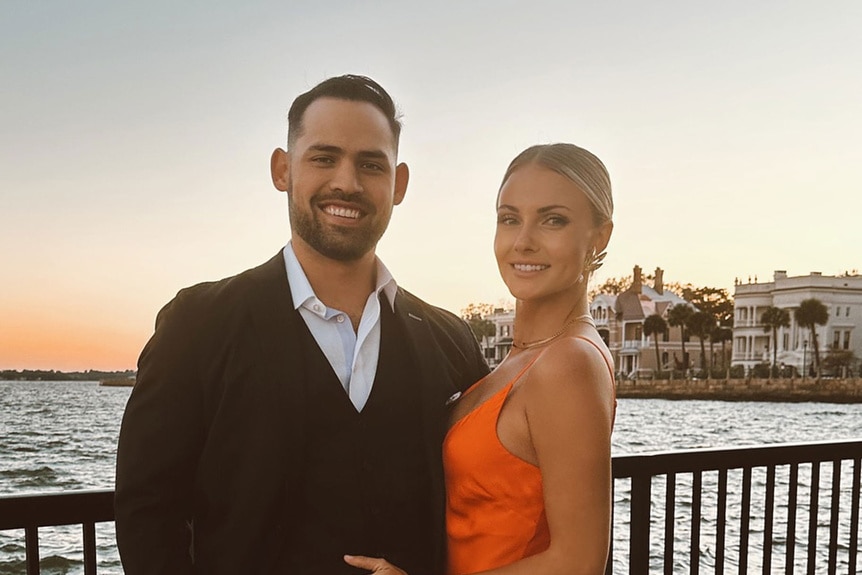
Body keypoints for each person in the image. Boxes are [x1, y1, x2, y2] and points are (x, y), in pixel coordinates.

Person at [114, 74, 489, 575]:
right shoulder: (197, 325)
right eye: (324, 157)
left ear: (397, 185)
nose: (347, 183)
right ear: (282, 169)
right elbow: (147, 514)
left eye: (370, 164)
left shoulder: (449, 340)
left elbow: (487, 504)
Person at [345, 143, 616, 575]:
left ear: (599, 238)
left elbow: (578, 563)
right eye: (509, 219)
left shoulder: (569, 363)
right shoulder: (529, 356)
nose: (523, 242)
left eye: (553, 220)